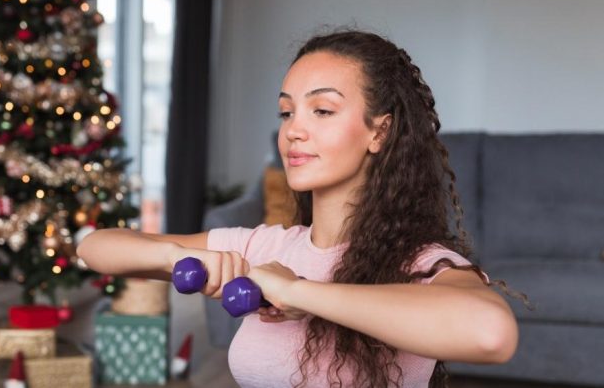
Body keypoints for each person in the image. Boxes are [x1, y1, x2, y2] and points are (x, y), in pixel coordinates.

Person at [77, 28, 529, 388]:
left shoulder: (421, 265)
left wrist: (297, 292)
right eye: (286, 112)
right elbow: (95, 248)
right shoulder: (263, 248)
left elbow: (492, 333)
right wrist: (177, 256)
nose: (294, 130)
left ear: (380, 132)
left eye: (322, 111)